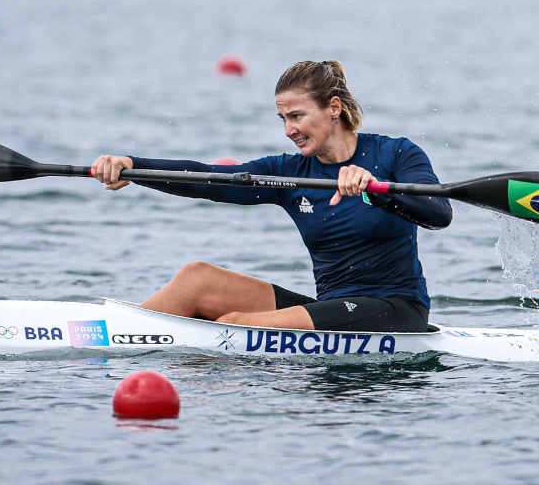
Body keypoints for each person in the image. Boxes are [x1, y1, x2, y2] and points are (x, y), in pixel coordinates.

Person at [91, 60, 452, 333]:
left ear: (334, 107)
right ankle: (118, 337)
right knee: (195, 278)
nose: (288, 130)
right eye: (282, 118)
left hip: (395, 309)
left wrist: (376, 190)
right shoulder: (289, 172)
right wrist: (132, 165)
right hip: (332, 306)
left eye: (296, 116)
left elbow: (439, 213)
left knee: (236, 323)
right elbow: (210, 179)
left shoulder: (396, 154)